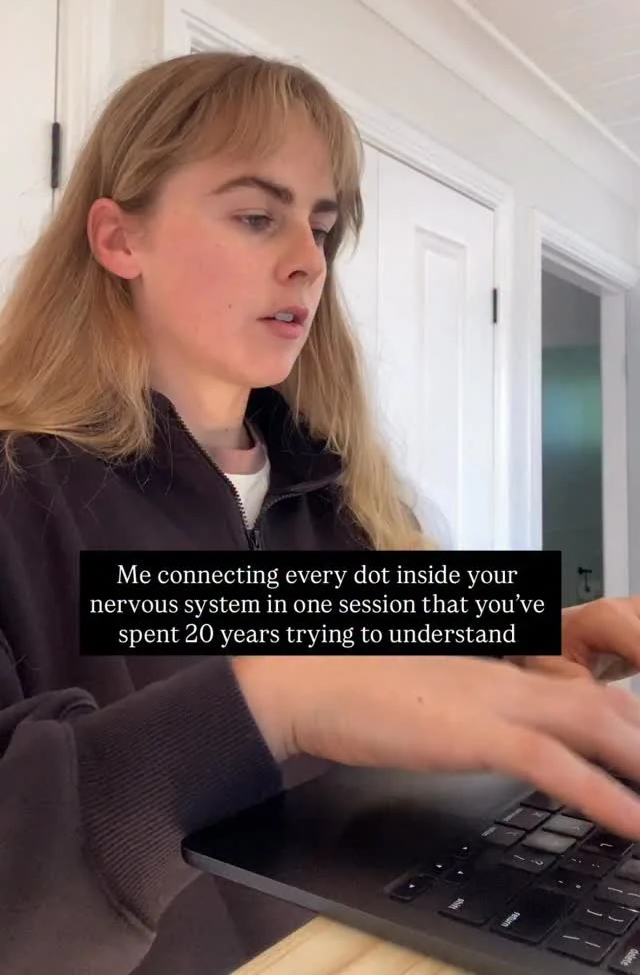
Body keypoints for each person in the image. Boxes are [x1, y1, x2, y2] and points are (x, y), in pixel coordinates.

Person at [2, 52, 640, 975]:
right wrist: (275, 699)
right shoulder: (19, 497)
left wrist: (536, 635)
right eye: (257, 217)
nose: (309, 262)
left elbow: (362, 674)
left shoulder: (342, 493)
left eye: (324, 226)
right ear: (119, 239)